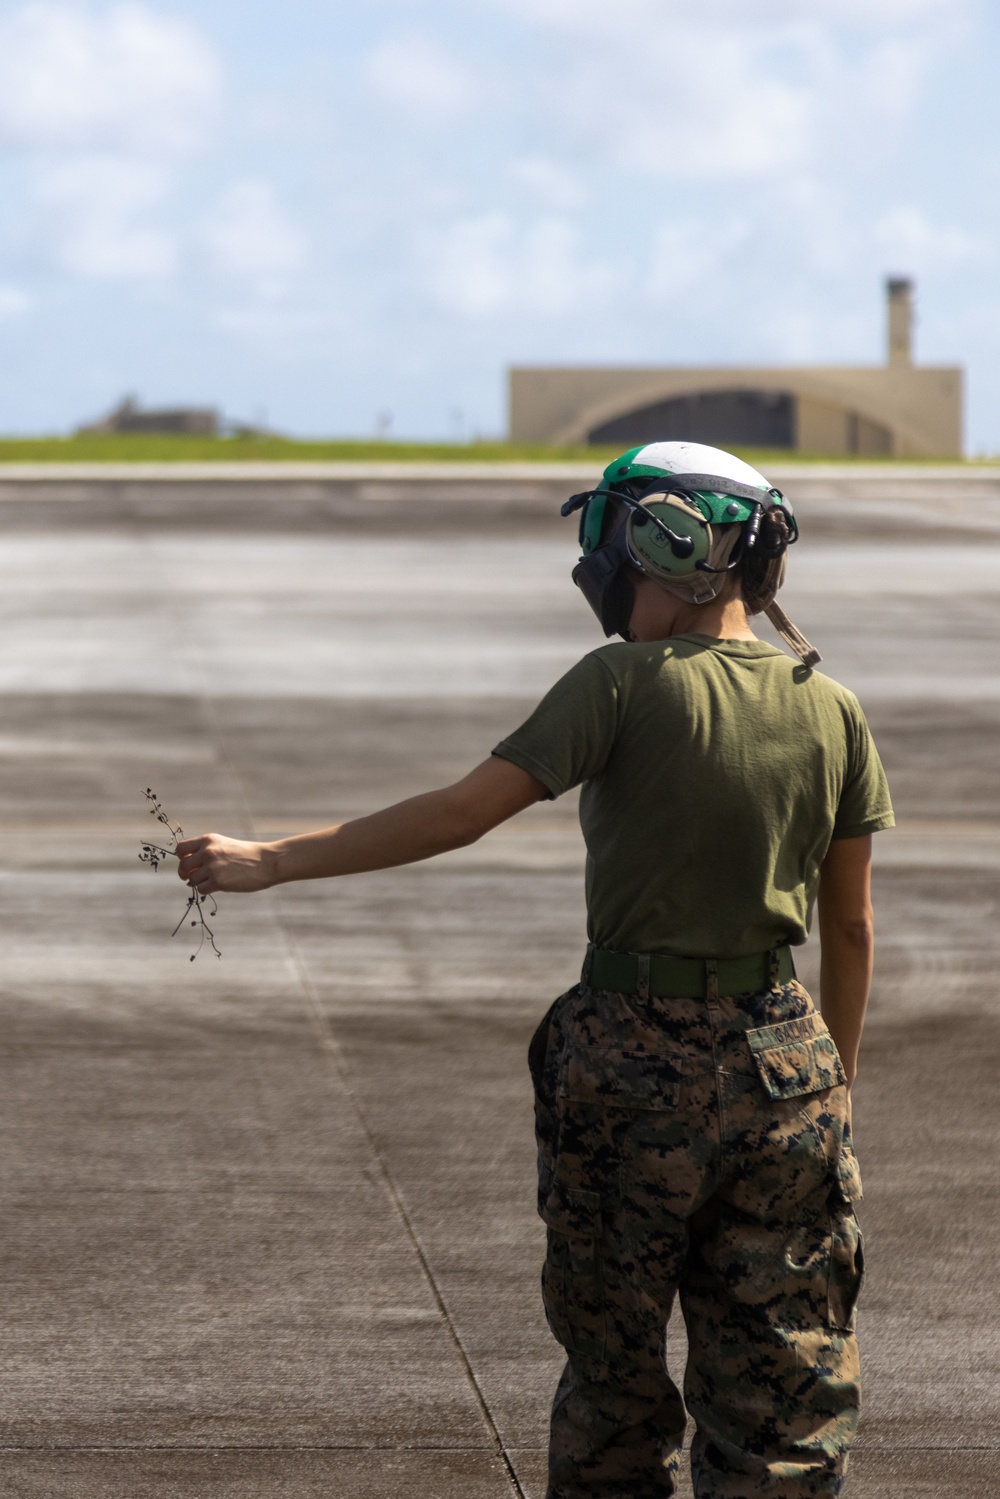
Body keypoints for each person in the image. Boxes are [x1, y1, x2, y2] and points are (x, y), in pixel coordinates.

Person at [175, 440, 893, 1498]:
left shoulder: (616, 682)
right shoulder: (831, 706)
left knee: (614, 1379)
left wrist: (273, 859)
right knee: (782, 1381)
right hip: (787, 1063)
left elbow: (460, 813)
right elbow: (852, 930)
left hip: (628, 1054)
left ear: (668, 545)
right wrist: (834, 1088)